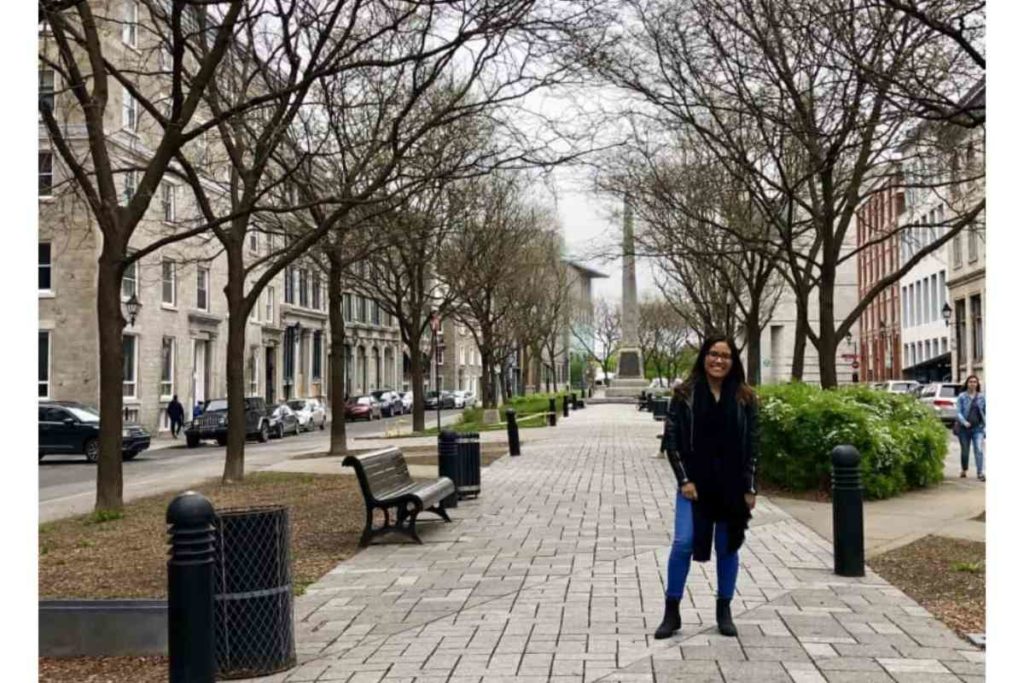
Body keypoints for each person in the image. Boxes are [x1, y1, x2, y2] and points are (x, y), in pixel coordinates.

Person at [655, 335, 759, 640]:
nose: (718, 360)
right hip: (694, 485)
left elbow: (753, 445)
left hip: (731, 484)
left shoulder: (745, 398)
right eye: (713, 354)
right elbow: (672, 442)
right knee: (683, 543)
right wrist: (684, 479)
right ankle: (671, 611)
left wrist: (750, 486)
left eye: (725, 356)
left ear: (733, 361)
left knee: (728, 547)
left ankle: (724, 609)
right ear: (704, 357)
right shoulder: (684, 395)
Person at [955, 375, 986, 481]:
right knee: (965, 451)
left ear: (977, 384)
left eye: (974, 382)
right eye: (970, 382)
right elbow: (958, 412)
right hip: (964, 429)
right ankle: (964, 469)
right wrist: (964, 422)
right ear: (967, 383)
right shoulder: (962, 396)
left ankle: (980, 473)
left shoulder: (982, 397)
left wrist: (984, 425)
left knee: (979, 449)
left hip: (978, 428)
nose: (972, 383)